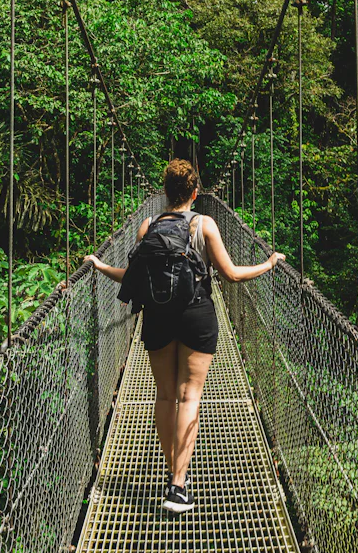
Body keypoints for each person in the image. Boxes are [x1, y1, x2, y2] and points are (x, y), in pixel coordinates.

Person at [84, 159, 285, 514]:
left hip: (157, 316)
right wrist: (269, 264)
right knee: (189, 396)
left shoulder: (148, 226)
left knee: (164, 397)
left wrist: (100, 266)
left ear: (164, 192)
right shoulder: (205, 224)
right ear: (194, 193)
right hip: (196, 314)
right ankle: (178, 484)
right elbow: (232, 276)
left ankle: (172, 470)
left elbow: (131, 277)